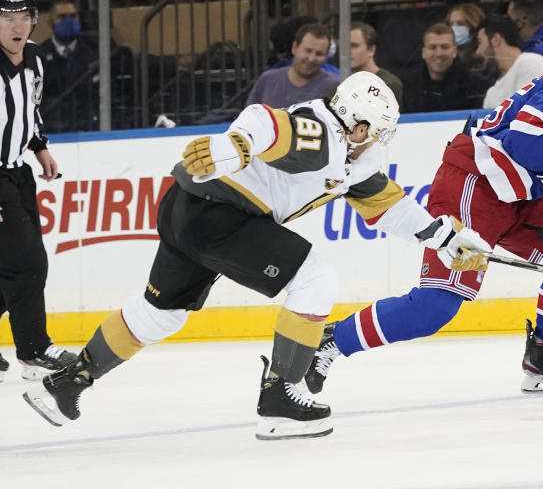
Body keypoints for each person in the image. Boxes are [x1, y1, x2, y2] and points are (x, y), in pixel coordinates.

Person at [22, 71, 492, 439]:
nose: (379, 141)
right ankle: (280, 397)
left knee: (159, 314)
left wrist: (446, 240)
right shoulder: (323, 133)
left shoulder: (350, 155)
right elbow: (267, 123)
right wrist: (236, 148)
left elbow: (389, 205)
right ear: (360, 124)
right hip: (220, 216)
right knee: (316, 279)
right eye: (378, 132)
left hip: (188, 208)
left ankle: (67, 383)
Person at [302, 28, 543, 398]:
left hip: (514, 197)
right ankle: (330, 341)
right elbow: (525, 138)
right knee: (434, 308)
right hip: (476, 185)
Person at [0, 0, 77, 383]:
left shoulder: (34, 58)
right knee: (27, 262)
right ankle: (33, 350)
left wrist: (40, 147)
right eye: (7, 17)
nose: (17, 25)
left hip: (17, 173)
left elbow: (30, 110)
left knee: (8, 265)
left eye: (24, 17)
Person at [37, 0, 99, 132]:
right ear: (50, 22)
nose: (68, 21)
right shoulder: (38, 56)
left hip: (88, 125)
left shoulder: (95, 51)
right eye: (62, 17)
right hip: (51, 126)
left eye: (73, 16)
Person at [401, 23, 489, 113]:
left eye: (445, 47)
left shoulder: (476, 85)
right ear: (424, 53)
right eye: (432, 47)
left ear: (455, 51)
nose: (439, 53)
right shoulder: (409, 85)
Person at [246, 23, 339, 107]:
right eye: (308, 50)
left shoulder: (333, 88)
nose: (311, 59)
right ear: (294, 48)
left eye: (319, 54)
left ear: (326, 56)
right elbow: (246, 121)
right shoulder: (267, 81)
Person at [478, 14, 543, 109]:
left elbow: (531, 113)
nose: (478, 51)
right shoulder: (493, 91)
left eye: (480, 42)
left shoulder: (531, 62)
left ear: (496, 39)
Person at [349, 21, 403, 105]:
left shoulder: (388, 84)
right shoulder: (340, 83)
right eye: (343, 46)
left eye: (354, 46)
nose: (347, 51)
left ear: (371, 50)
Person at [445, 3, 496, 83]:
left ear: (474, 27)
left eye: (461, 24)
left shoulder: (484, 60)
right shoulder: (446, 59)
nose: (454, 29)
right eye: (451, 24)